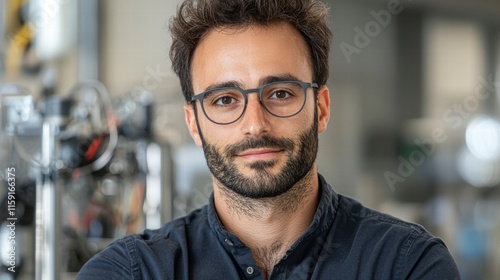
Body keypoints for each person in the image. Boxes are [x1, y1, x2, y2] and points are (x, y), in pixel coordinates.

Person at [77, 0, 461, 279]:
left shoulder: (406, 265)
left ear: (321, 108)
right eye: (225, 100)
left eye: (279, 93)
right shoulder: (129, 273)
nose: (255, 125)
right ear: (193, 123)